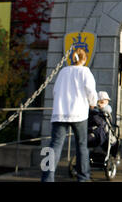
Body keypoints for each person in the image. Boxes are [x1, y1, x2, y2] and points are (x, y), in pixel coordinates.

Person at [41, 48, 98, 182]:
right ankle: (83, 177)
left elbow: (55, 91)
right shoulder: (85, 71)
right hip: (79, 113)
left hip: (60, 112)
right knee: (82, 145)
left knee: (54, 146)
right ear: (84, 59)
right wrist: (92, 104)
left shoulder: (63, 71)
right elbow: (91, 91)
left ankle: (47, 178)